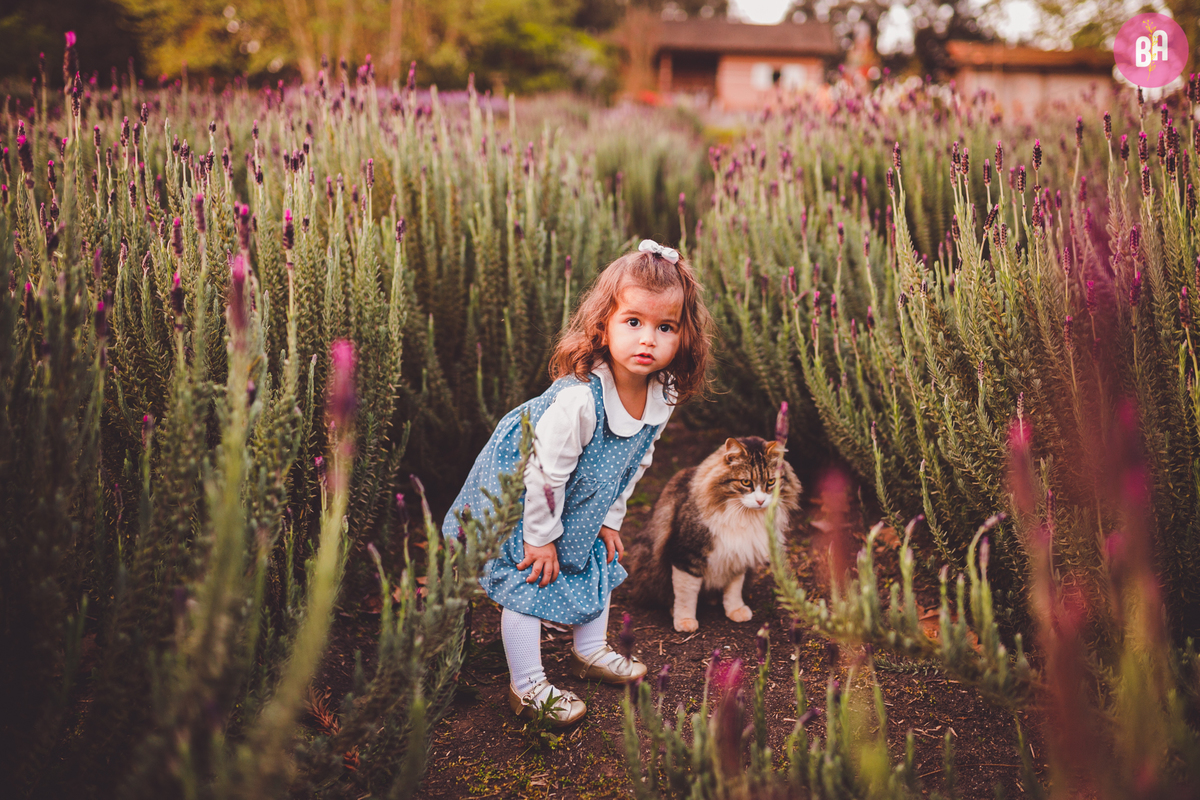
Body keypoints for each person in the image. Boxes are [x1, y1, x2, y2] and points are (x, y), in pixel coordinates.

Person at [442, 239, 713, 725]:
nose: (648, 340)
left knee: (598, 557)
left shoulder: (662, 394)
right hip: (526, 493)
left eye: (665, 327)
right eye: (633, 321)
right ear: (603, 324)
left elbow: (636, 461)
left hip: (582, 496)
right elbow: (545, 474)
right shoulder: (581, 400)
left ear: (684, 335)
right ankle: (527, 686)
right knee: (531, 577)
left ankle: (588, 651)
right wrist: (539, 538)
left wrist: (610, 519)